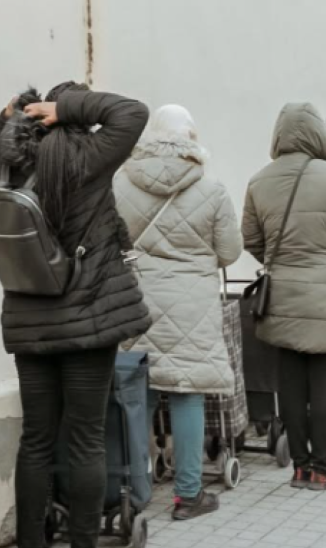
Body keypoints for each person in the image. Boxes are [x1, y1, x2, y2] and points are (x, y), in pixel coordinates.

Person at [0, 83, 150, 548]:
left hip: (30, 319)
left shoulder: (5, 169)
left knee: (35, 437)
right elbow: (132, 112)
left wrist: (6, 118)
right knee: (86, 438)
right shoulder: (88, 156)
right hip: (90, 320)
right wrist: (67, 108)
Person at [113, 105, 242, 520]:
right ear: (189, 137)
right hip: (192, 305)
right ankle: (188, 495)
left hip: (137, 301)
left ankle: (138, 488)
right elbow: (229, 252)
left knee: (140, 393)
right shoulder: (211, 189)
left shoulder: (120, 184)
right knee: (187, 392)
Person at [242, 102, 326, 490]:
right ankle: (322, 465)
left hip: (282, 292)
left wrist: (276, 260)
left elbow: (250, 238)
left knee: (290, 384)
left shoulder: (260, 180)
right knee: (323, 380)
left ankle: (300, 466)